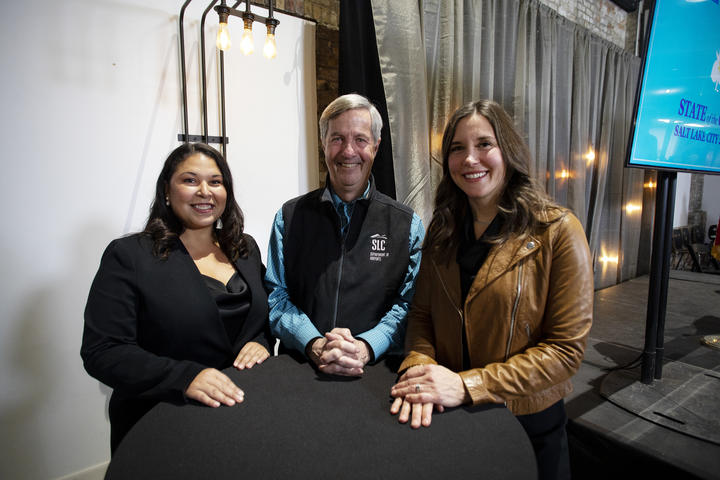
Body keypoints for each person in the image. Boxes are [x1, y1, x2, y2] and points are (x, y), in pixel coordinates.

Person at [389, 100, 593, 479]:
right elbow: (421, 315)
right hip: (452, 417)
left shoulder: (558, 232)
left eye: (484, 144)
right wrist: (419, 369)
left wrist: (468, 385)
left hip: (527, 425)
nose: (470, 159)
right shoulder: (442, 229)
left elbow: (565, 352)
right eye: (457, 148)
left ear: (508, 151)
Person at [81, 143, 273, 453]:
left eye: (215, 181)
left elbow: (262, 316)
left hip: (239, 412)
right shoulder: (130, 256)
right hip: (162, 417)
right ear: (167, 192)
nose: (205, 191)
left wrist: (261, 342)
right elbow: (102, 351)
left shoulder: (244, 247)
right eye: (190, 180)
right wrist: (184, 377)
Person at [265, 93, 424, 375]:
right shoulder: (289, 218)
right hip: (300, 369)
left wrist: (364, 347)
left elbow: (409, 305)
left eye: (360, 140)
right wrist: (315, 344)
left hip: (375, 372)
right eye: (337, 138)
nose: (348, 151)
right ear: (323, 144)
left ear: (375, 146)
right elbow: (277, 296)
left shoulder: (407, 225)